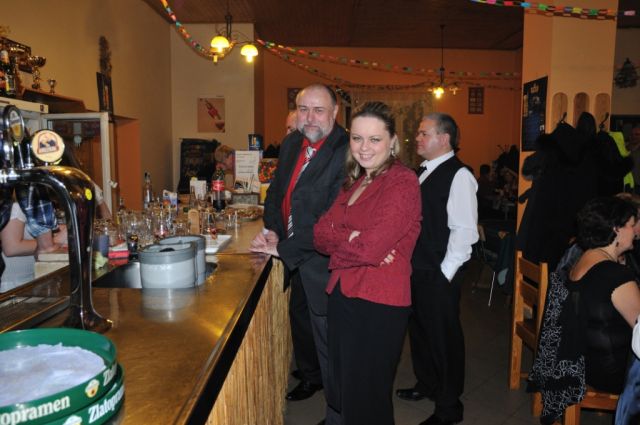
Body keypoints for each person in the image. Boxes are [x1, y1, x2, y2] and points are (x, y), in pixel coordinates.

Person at [313, 102, 421, 424]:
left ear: (392, 141)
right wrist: (352, 237)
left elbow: (371, 249)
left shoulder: (402, 182)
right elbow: (319, 235)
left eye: (375, 139)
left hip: (378, 304)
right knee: (345, 392)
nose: (364, 147)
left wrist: (355, 241)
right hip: (343, 295)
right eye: (357, 138)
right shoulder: (356, 181)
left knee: (368, 400)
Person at [249, 84, 349, 409]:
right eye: (303, 109)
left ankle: (339, 411)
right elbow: (277, 193)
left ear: (335, 112)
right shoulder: (293, 142)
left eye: (319, 110)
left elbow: (332, 220)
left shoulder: (347, 151)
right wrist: (274, 232)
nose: (310, 118)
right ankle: (311, 376)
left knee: (332, 342)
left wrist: (285, 249)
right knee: (302, 319)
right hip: (297, 256)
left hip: (326, 263)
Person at [396, 113, 478, 425]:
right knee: (420, 333)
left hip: (439, 272)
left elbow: (464, 232)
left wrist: (444, 275)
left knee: (444, 340)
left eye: (423, 133)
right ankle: (427, 384)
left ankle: (449, 407)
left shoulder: (459, 175)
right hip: (417, 269)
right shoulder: (423, 171)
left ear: (444, 138)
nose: (417, 138)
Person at [567, 196, 640, 393]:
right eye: (632, 225)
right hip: (611, 374)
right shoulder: (615, 276)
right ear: (616, 229)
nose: (635, 231)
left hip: (582, 363)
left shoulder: (583, 260)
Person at [1, 202, 67, 292]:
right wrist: (56, 240)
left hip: (29, 280)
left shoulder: (34, 204)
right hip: (12, 285)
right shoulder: (17, 206)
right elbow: (11, 248)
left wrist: (56, 232)